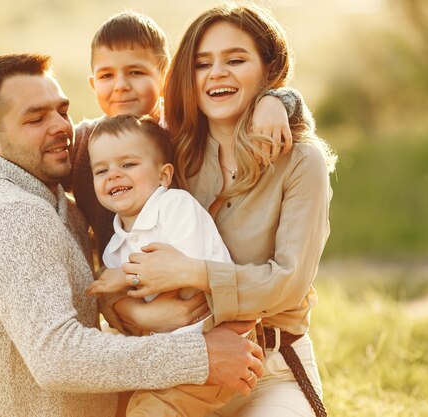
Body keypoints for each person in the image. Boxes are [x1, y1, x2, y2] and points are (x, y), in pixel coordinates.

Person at [0, 52, 264, 417]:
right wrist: (201, 356)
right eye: (35, 118)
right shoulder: (14, 214)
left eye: (62, 111)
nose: (61, 128)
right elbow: (59, 358)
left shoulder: (59, 205)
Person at [0, 10, 302, 264]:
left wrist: (276, 101)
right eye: (106, 76)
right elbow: (16, 153)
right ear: (93, 83)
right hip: (123, 287)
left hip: (200, 276)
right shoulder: (85, 142)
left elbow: (254, 119)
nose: (121, 87)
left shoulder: (185, 127)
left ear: (166, 77)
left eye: (136, 72)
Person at [112, 4, 338, 417]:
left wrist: (191, 272)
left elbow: (287, 282)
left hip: (271, 369)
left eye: (236, 60)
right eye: (203, 64)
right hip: (186, 367)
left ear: (269, 71)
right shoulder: (170, 153)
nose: (217, 73)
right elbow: (82, 141)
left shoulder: (303, 162)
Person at [86, 113, 259, 417]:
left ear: (164, 175)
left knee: (148, 412)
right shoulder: (115, 246)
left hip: (218, 344)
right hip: (173, 356)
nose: (113, 174)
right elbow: (121, 308)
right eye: (101, 170)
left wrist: (122, 278)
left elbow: (179, 272)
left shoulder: (175, 206)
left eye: (128, 165)